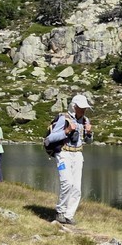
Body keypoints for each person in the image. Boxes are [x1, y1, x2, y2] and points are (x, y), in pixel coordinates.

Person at [51, 93, 93, 224]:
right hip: (64, 153)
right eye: (81, 107)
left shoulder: (86, 121)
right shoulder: (63, 118)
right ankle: (60, 211)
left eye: (85, 108)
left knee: (76, 187)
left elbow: (88, 141)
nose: (83, 110)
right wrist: (67, 131)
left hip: (78, 154)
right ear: (74, 107)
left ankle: (69, 215)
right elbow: (50, 138)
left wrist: (89, 133)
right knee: (67, 182)